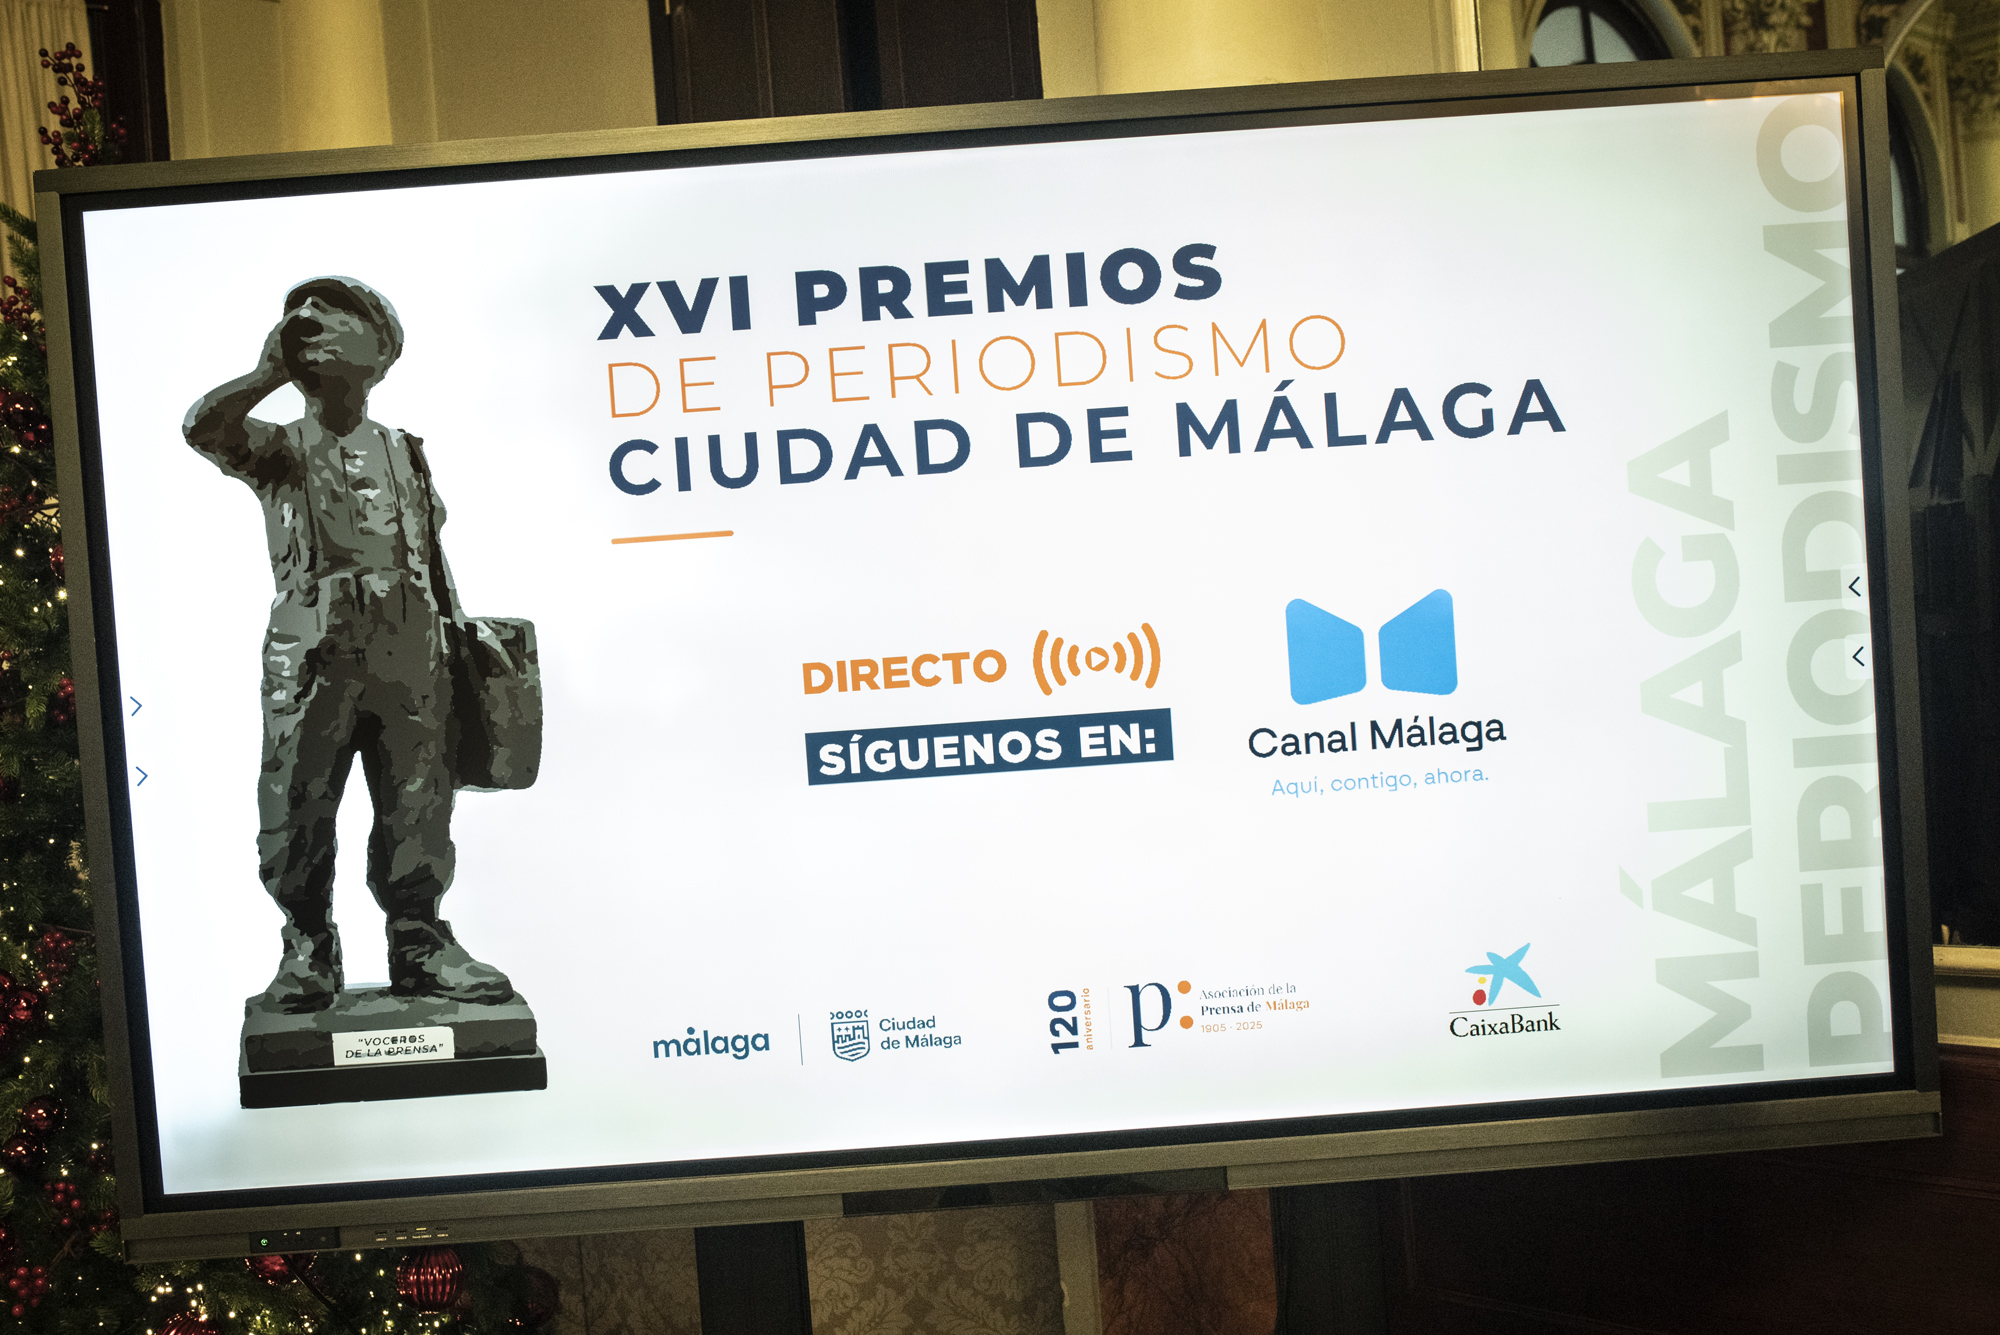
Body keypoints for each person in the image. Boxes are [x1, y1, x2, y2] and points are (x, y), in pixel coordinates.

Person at [184, 277, 512, 1012]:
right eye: (299, 316)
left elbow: (430, 554)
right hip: (311, 651)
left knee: (418, 800)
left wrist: (457, 644)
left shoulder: (405, 451)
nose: (308, 322)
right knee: (297, 800)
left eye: (333, 315)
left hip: (411, 648)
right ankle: (306, 943)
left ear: (381, 350)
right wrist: (264, 376)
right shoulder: (277, 446)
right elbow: (203, 428)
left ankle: (420, 939)